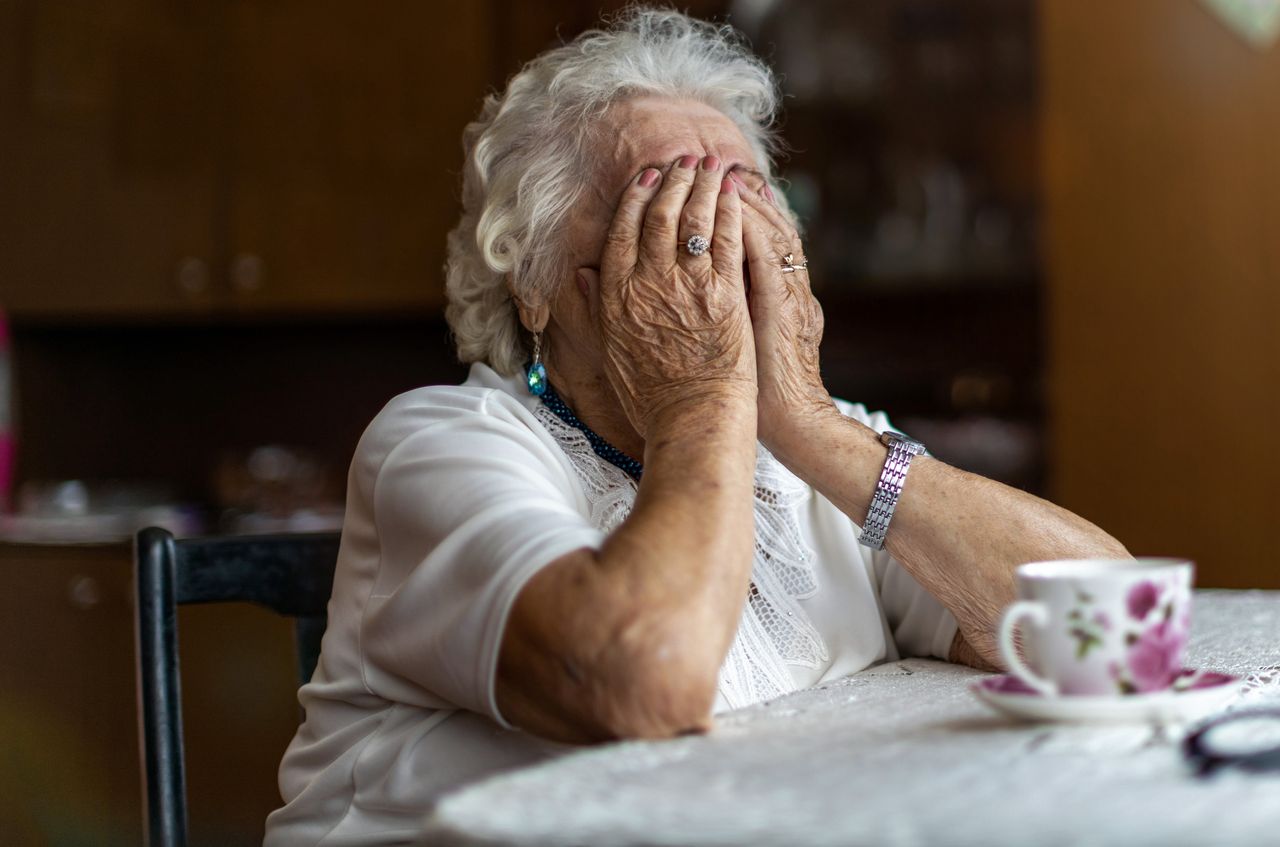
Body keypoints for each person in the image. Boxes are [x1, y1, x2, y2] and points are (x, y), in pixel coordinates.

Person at [264, 8, 1128, 844]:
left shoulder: (805, 452)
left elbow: (1105, 622)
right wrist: (703, 394)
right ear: (533, 280)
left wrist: (816, 426)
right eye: (666, 206)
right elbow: (645, 684)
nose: (718, 244)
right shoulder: (440, 445)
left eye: (743, 201)